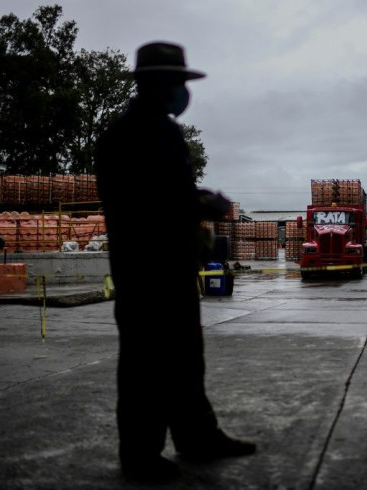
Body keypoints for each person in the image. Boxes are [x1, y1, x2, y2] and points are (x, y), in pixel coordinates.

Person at [95, 41, 255, 483]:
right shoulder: (147, 133)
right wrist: (208, 202)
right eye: (178, 83)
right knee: (147, 365)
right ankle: (141, 454)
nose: (183, 92)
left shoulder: (133, 132)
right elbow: (161, 200)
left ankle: (197, 436)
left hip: (154, 268)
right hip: (152, 269)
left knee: (183, 358)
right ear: (158, 84)